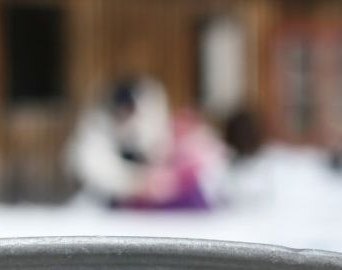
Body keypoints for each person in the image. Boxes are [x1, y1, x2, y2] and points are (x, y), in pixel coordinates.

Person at [65, 77, 230, 210]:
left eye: (129, 111)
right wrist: (138, 184)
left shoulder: (150, 127)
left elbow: (158, 151)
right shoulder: (97, 133)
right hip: (111, 204)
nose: (125, 115)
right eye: (122, 111)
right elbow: (98, 172)